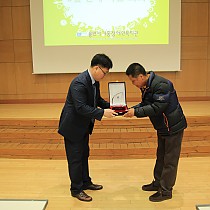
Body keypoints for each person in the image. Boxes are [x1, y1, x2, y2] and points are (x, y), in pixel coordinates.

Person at [123, 63, 187, 202]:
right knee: (161, 156)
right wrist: (131, 109)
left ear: (140, 76)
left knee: (170, 160)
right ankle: (158, 183)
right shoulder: (147, 85)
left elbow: (158, 107)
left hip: (172, 127)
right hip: (163, 127)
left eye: (133, 81)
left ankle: (165, 191)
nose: (133, 84)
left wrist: (136, 112)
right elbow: (146, 103)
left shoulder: (161, 84)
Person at [58, 54, 117, 202]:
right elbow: (81, 108)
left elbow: (97, 100)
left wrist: (114, 106)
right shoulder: (79, 83)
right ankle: (76, 189)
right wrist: (103, 113)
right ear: (96, 68)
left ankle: (86, 182)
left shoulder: (94, 82)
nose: (105, 75)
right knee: (75, 159)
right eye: (104, 72)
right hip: (73, 127)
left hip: (83, 126)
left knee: (84, 155)